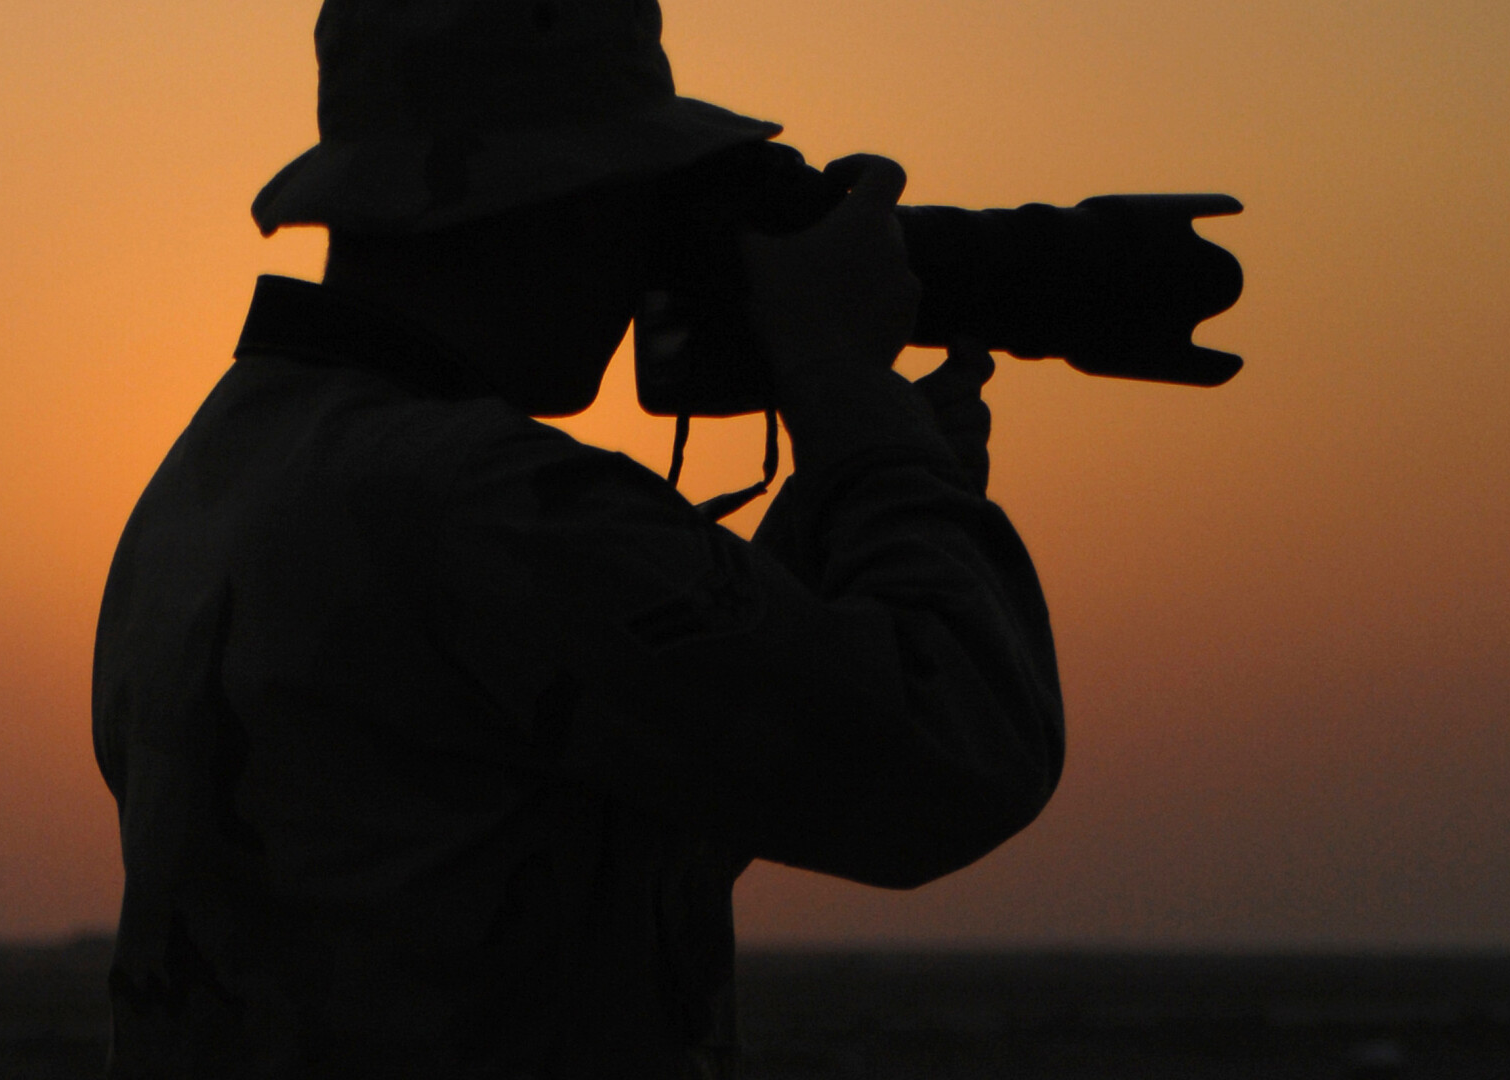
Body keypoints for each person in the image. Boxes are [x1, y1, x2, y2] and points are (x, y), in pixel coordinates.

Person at [91, 0, 1063, 1075]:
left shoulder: (214, 478)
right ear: (546, 202)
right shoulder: (485, 504)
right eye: (633, 197)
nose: (644, 254)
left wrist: (866, 487)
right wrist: (856, 408)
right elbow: (954, 751)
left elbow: (647, 783)